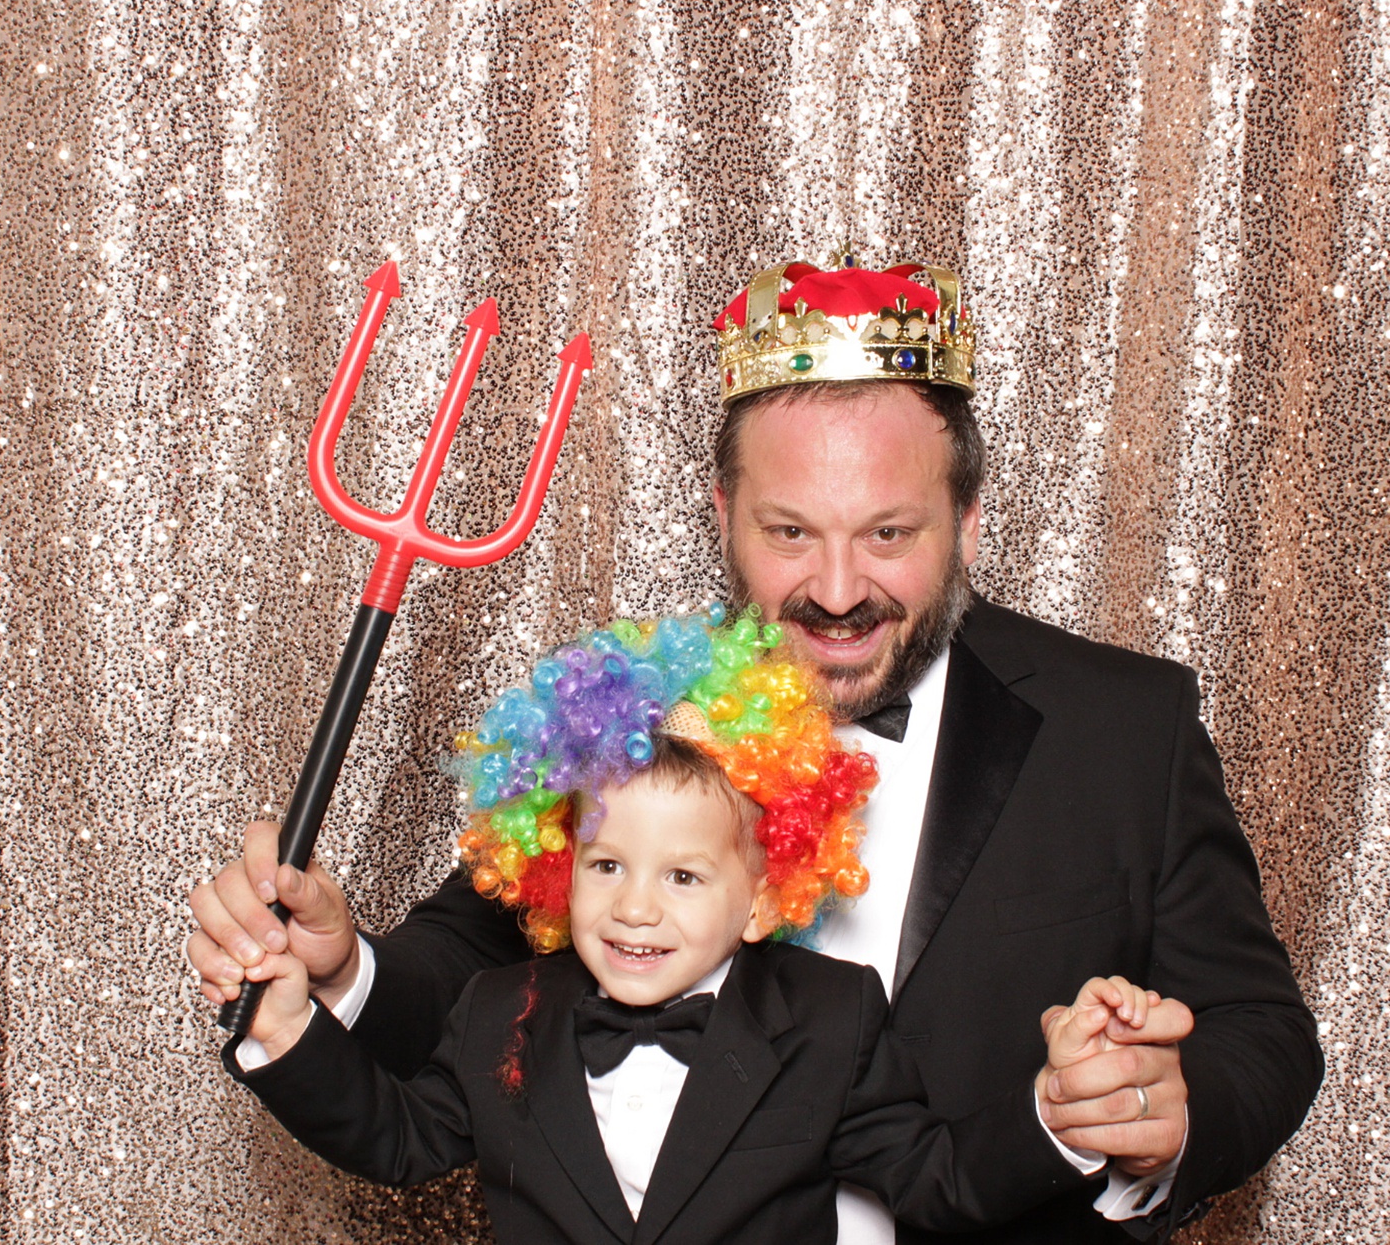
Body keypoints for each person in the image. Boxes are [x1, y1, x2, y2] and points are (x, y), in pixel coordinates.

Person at [191, 252, 1323, 1243]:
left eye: (888, 532)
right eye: (788, 532)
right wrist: (341, 967)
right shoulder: (634, 709)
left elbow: (1260, 1032)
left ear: (966, 522)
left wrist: (1148, 1113)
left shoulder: (1124, 725)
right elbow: (467, 971)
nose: (836, 591)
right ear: (724, 511)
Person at [224, 610, 1178, 1243]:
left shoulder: (832, 1019)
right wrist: (286, 1034)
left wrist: (1055, 1115)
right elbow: (398, 1139)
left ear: (764, 896)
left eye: (684, 874)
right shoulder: (497, 1010)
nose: (636, 907)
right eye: (606, 867)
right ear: (558, 867)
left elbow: (935, 1178)